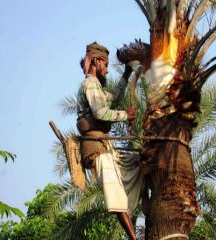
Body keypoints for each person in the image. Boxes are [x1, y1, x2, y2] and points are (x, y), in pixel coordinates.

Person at [76, 42, 142, 240]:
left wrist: (127, 72)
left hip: (106, 147)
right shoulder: (90, 83)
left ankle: (147, 206)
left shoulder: (95, 86)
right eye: (105, 65)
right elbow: (100, 112)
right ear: (96, 61)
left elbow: (115, 96)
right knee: (114, 194)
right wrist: (125, 115)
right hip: (97, 150)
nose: (106, 69)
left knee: (140, 162)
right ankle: (134, 238)